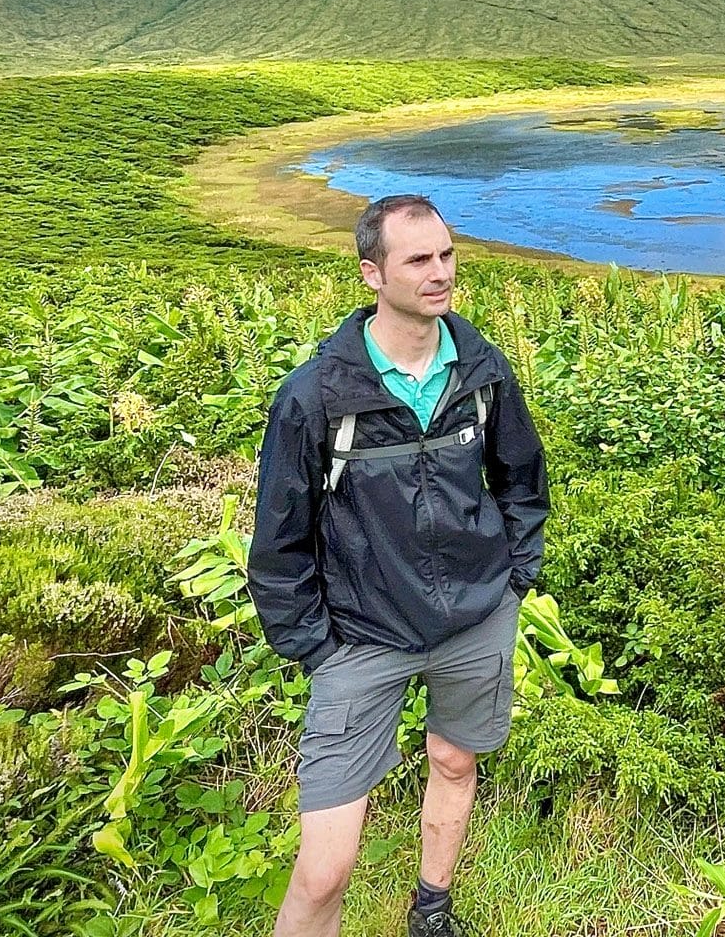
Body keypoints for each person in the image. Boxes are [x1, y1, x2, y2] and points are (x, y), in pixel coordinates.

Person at [249, 194, 548, 937]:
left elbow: (521, 480)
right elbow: (278, 543)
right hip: (360, 637)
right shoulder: (316, 396)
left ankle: (432, 908)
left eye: (446, 254)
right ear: (372, 274)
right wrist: (316, 646)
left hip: (476, 618)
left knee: (454, 761)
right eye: (418, 259)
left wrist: (513, 580)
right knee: (325, 870)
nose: (440, 272)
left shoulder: (482, 371)